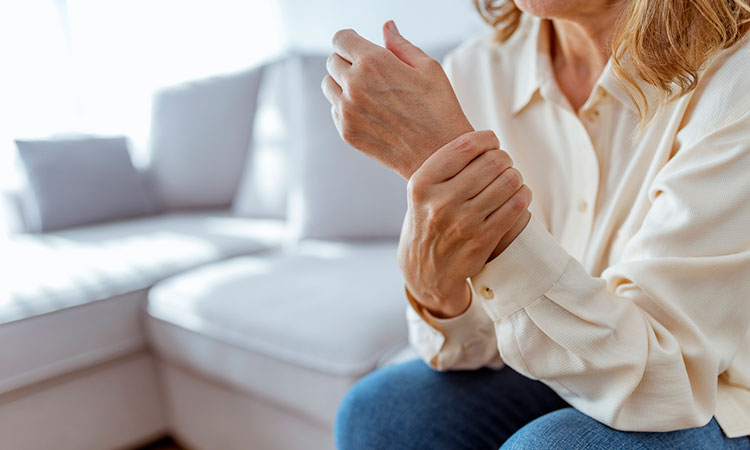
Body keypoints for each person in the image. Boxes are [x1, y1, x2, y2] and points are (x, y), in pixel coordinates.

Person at [321, 0, 750, 448]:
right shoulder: (479, 68)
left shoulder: (736, 78)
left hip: (719, 394)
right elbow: (479, 342)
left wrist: (464, 178)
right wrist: (431, 286)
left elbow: (663, 384)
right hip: (589, 363)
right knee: (383, 410)